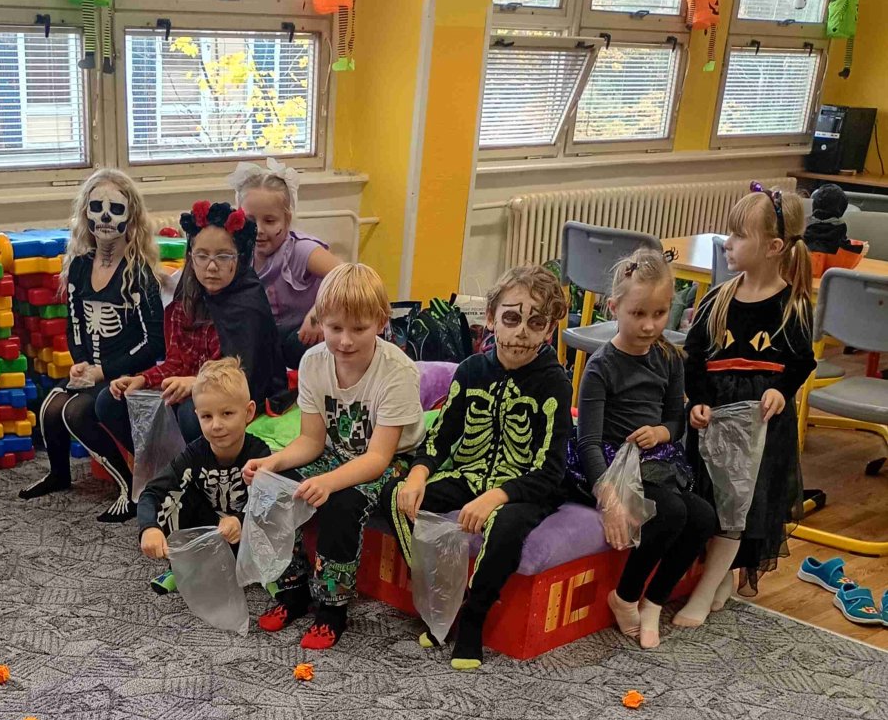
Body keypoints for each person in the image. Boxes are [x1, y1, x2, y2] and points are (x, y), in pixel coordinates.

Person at [383, 264, 571, 671]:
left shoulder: (554, 382)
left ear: (549, 330)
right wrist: (418, 474)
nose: (521, 332)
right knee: (395, 494)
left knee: (505, 524)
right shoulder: (470, 371)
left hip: (525, 487)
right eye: (511, 318)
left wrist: (496, 497)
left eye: (536, 323)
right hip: (470, 475)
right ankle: (438, 596)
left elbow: (551, 469)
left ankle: (473, 615)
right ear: (490, 318)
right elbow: (440, 436)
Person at [242, 263, 425, 650]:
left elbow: (378, 459)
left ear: (381, 322)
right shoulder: (313, 362)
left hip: (393, 460)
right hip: (336, 452)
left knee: (342, 502)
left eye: (358, 329)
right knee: (273, 488)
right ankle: (292, 590)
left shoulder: (398, 371)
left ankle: (332, 609)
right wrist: (272, 463)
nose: (344, 340)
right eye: (335, 328)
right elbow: (310, 441)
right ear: (320, 321)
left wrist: (326, 482)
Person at [81, 200, 285, 523]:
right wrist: (142, 379)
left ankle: (199, 488)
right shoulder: (188, 297)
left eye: (223, 256)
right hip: (187, 387)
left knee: (195, 413)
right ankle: (165, 478)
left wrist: (196, 384)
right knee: (110, 400)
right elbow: (177, 360)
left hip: (230, 395)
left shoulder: (247, 303)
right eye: (201, 256)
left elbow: (245, 373)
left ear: (240, 257)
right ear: (191, 256)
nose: (211, 266)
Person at [675, 184, 815, 626]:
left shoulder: (792, 305)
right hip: (714, 417)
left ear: (773, 247)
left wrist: (781, 390)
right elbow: (694, 356)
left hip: (758, 424)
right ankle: (719, 577)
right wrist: (698, 400)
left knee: (739, 508)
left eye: (738, 236)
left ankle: (705, 590)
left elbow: (801, 361)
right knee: (711, 500)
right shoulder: (717, 298)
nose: (727, 243)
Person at [572, 249, 716, 650]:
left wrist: (661, 432)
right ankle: (625, 595)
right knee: (670, 512)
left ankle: (653, 601)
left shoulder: (668, 358)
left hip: (653, 460)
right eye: (638, 314)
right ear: (614, 308)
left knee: (703, 517)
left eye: (660, 314)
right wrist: (608, 497)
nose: (650, 325)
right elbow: (587, 440)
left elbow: (675, 420)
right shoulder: (601, 366)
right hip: (610, 463)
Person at [20, 168, 164, 508]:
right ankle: (59, 474)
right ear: (86, 213)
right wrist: (81, 363)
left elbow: (154, 343)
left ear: (130, 217)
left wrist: (104, 371)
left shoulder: (138, 273)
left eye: (115, 209)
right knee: (49, 407)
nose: (105, 218)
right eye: (97, 207)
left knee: (76, 412)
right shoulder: (80, 266)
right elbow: (74, 325)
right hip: (92, 370)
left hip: (126, 375)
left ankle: (129, 488)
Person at [137, 358, 258, 595]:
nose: (216, 425)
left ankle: (266, 572)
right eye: (206, 416)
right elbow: (151, 492)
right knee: (174, 494)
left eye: (227, 413)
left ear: (248, 412)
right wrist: (149, 528)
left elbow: (270, 504)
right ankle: (182, 566)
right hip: (209, 536)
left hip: (246, 539)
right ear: (197, 416)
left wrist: (240, 520)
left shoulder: (259, 454)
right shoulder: (193, 454)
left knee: (276, 498)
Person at [233, 159, 342, 367]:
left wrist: (318, 314)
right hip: (268, 338)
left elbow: (347, 274)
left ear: (287, 219)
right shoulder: (241, 253)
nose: (259, 230)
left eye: (270, 221)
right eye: (250, 221)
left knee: (295, 346)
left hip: (304, 337)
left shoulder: (300, 250)